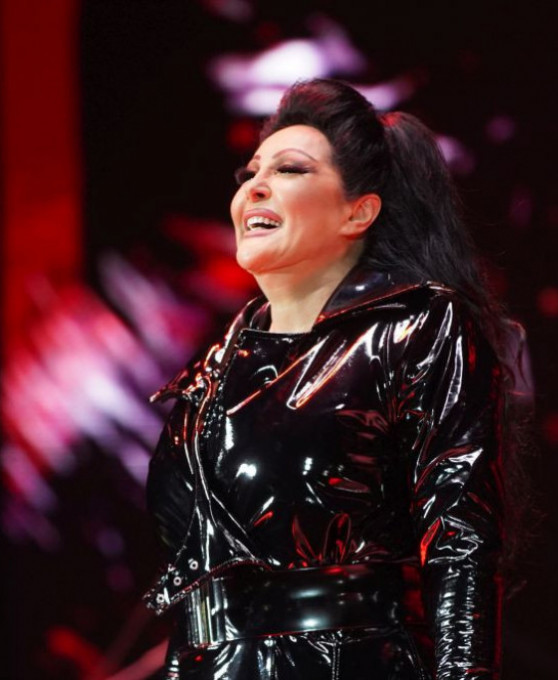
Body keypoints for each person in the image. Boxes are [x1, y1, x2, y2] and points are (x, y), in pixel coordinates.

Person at [144, 78, 515, 679]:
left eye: (289, 169)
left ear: (357, 212)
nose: (254, 186)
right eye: (250, 173)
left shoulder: (413, 328)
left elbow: (460, 537)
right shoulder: (213, 368)